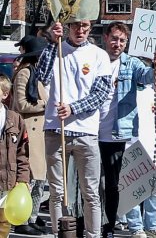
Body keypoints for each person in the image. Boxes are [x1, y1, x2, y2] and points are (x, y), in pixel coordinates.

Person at [37, 20, 112, 237]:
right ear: (69, 26)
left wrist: (73, 108)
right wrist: (52, 41)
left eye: (85, 26)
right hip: (55, 130)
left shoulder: (99, 55)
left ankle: (92, 234)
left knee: (91, 192)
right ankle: (59, 233)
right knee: (57, 192)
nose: (80, 30)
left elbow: (100, 93)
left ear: (90, 28)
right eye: (76, 25)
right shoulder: (56, 48)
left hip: (86, 132)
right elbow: (42, 75)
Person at [98, 22, 156, 237]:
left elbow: (147, 77)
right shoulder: (95, 60)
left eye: (122, 41)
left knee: (121, 184)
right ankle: (98, 225)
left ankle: (125, 228)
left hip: (122, 134)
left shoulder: (131, 64)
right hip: (92, 132)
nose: (118, 44)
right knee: (96, 185)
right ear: (106, 38)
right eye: (114, 38)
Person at [125, 75, 156, 238]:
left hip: (152, 146)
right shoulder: (126, 91)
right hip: (131, 145)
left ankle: (152, 225)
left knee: (154, 190)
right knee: (134, 189)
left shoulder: (151, 92)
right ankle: (135, 227)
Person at [11, 36, 49, 235]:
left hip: (39, 133)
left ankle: (32, 216)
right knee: (30, 178)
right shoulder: (24, 73)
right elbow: (21, 104)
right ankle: (22, 217)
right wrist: (46, 105)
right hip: (28, 131)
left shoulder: (36, 73)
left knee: (40, 179)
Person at [0, 74, 31, 237]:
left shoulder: (15, 119)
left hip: (8, 180)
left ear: (5, 94)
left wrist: (23, 179)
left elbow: (22, 153)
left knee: (4, 221)